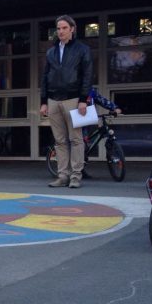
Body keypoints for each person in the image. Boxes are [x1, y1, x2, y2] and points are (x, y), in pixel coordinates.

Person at [39, 14, 93, 189]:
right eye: (58, 28)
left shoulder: (82, 49)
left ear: (72, 29)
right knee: (59, 141)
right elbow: (45, 77)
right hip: (53, 100)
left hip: (74, 99)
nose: (60, 31)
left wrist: (83, 99)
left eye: (64, 28)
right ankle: (63, 175)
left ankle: (76, 176)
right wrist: (44, 101)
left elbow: (87, 75)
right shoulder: (50, 52)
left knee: (76, 139)